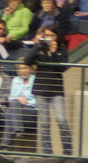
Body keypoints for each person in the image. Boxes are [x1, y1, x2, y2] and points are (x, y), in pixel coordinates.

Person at [25, 25, 70, 154]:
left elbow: (63, 68)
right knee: (44, 124)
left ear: (56, 37)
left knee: (61, 121)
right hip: (41, 91)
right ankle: (47, 153)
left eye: (52, 35)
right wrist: (37, 45)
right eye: (47, 35)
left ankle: (68, 152)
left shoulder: (61, 49)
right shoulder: (39, 49)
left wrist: (54, 52)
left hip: (56, 91)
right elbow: (27, 61)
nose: (49, 38)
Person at [1, 60, 36, 147]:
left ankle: (6, 144)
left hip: (31, 109)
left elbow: (39, 99)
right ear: (18, 70)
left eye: (25, 68)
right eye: (21, 68)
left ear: (30, 69)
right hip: (17, 108)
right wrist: (19, 99)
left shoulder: (36, 79)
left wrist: (28, 101)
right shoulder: (15, 80)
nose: (23, 71)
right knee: (14, 104)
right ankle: (17, 131)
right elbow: (11, 98)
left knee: (10, 112)